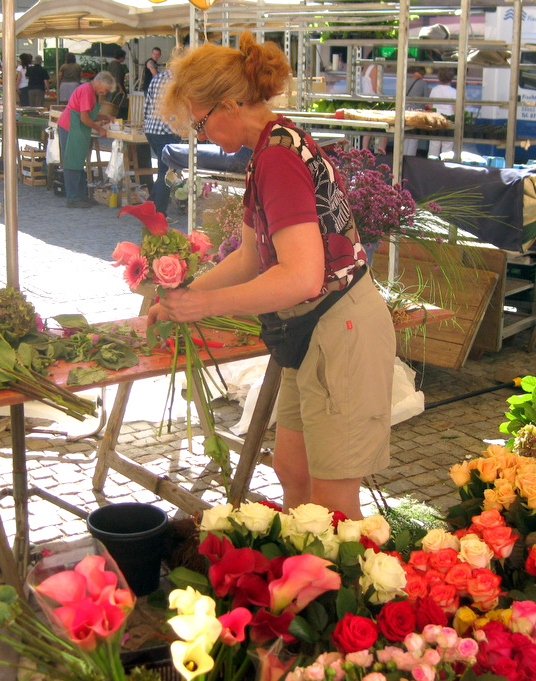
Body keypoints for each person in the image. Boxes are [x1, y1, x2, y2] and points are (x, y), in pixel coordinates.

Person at [153, 32, 395, 519]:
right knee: (292, 468)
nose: (201, 137)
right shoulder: (267, 150)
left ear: (227, 105)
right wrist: (181, 296)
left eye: (199, 124)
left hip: (339, 328)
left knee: (332, 504)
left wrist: (203, 307)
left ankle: (329, 587)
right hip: (312, 331)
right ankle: (301, 576)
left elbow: (302, 278)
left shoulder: (279, 158)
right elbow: (247, 257)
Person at [56, 71, 116, 208]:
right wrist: (100, 129)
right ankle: (73, 198)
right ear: (100, 83)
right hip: (70, 127)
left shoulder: (90, 91)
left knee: (78, 162)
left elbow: (89, 115)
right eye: (105, 89)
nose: (105, 92)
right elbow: (85, 118)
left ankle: (81, 195)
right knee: (72, 162)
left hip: (75, 128)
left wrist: (105, 117)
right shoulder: (87, 91)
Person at [143, 69, 181, 216]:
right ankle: (158, 213)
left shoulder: (158, 77)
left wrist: (146, 123)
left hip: (152, 129)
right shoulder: (179, 80)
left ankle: (149, 206)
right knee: (166, 173)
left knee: (163, 171)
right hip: (167, 130)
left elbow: (147, 105)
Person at [360, 47, 387, 154]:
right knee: (384, 130)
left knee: (368, 131)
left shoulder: (366, 68)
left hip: (366, 101)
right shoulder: (375, 68)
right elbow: (376, 88)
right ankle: (381, 153)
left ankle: (363, 153)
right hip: (374, 102)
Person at [428, 68, 456, 159]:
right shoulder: (454, 92)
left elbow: (430, 105)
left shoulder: (434, 90)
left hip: (436, 118)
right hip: (449, 119)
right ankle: (445, 166)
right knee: (447, 145)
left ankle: (431, 165)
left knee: (434, 144)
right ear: (451, 78)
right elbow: (455, 108)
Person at [403, 65, 431, 156]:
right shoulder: (423, 84)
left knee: (405, 134)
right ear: (422, 74)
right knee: (414, 137)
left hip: (405, 111)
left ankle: (403, 155)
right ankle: (410, 157)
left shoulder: (405, 81)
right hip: (417, 112)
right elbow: (426, 99)